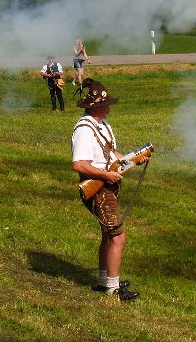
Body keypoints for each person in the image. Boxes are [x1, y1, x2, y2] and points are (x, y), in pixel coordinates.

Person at [71, 80, 145, 301]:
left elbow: (112, 157)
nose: (109, 107)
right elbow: (79, 165)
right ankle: (113, 288)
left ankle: (105, 281)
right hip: (98, 189)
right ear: (97, 106)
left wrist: (135, 159)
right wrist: (105, 175)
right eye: (106, 104)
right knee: (118, 235)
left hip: (107, 186)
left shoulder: (102, 126)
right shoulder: (84, 130)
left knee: (108, 234)